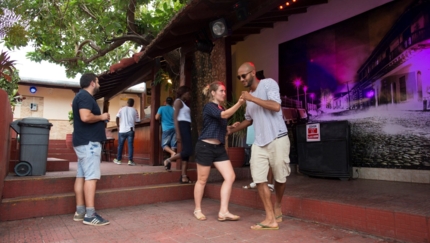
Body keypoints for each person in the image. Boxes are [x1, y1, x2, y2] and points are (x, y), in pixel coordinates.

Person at [229, 62, 290, 230]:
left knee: (280, 177)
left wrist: (252, 98)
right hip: (259, 142)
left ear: (253, 73)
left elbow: (276, 106)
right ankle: (270, 218)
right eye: (239, 77)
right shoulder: (249, 98)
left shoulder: (268, 84)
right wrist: (232, 130)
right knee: (259, 178)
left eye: (244, 75)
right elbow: (249, 120)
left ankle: (278, 204)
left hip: (278, 138)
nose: (241, 79)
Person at [193, 81, 245, 221]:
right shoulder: (210, 107)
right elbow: (224, 115)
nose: (224, 93)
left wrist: (229, 128)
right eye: (221, 91)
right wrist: (240, 103)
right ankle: (197, 209)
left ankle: (223, 211)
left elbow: (221, 129)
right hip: (205, 147)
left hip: (218, 148)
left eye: (224, 91)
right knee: (202, 180)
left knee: (230, 176)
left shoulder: (220, 108)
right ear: (213, 93)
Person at [72, 73, 110, 226]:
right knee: (91, 177)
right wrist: (102, 117)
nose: (99, 84)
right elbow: (86, 117)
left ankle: (80, 212)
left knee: (81, 176)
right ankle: (90, 215)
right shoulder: (86, 97)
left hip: (83, 142)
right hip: (89, 144)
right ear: (92, 83)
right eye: (98, 81)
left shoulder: (80, 96)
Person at [163, 86, 193, 183]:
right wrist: (178, 133)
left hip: (187, 126)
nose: (189, 95)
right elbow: (175, 118)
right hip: (182, 126)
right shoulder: (178, 102)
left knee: (186, 152)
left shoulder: (184, 103)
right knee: (189, 151)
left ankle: (184, 176)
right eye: (188, 93)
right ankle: (169, 160)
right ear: (183, 93)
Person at [113, 98, 141, 166]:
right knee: (130, 146)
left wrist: (118, 126)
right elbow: (138, 121)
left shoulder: (121, 109)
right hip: (130, 130)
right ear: (133, 104)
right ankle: (130, 161)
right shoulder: (135, 110)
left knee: (120, 145)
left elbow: (117, 117)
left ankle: (119, 160)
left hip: (122, 130)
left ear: (127, 103)